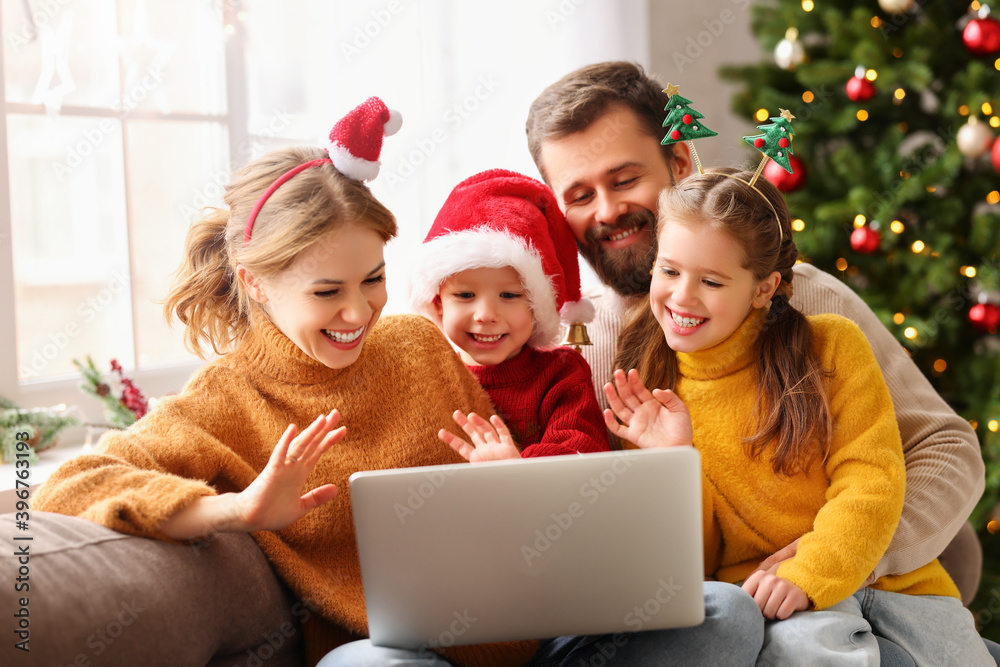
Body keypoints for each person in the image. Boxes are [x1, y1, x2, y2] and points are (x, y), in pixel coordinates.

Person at [25, 99, 764, 667]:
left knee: (725, 615)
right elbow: (69, 485)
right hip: (395, 650)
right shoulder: (223, 399)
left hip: (538, 633)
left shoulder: (413, 339)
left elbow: (527, 483)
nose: (358, 312)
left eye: (373, 280)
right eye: (326, 292)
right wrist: (235, 509)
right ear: (254, 284)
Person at [525, 61, 999, 663]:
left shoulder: (812, 305)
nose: (607, 210)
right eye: (580, 195)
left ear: (678, 165)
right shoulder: (568, 344)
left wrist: (835, 556)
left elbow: (944, 449)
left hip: (847, 592)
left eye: (624, 179)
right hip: (723, 614)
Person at [602, 167, 994, 664]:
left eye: (712, 281)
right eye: (670, 270)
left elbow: (871, 480)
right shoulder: (647, 385)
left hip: (889, 587)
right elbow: (695, 570)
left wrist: (811, 571)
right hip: (765, 605)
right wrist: (677, 462)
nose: (682, 296)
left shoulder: (831, 347)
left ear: (764, 288)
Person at [408, 169, 608, 460]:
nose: (486, 315)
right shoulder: (428, 377)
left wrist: (516, 470)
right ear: (438, 304)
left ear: (537, 307)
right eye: (465, 295)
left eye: (510, 295)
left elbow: (583, 449)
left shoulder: (561, 374)